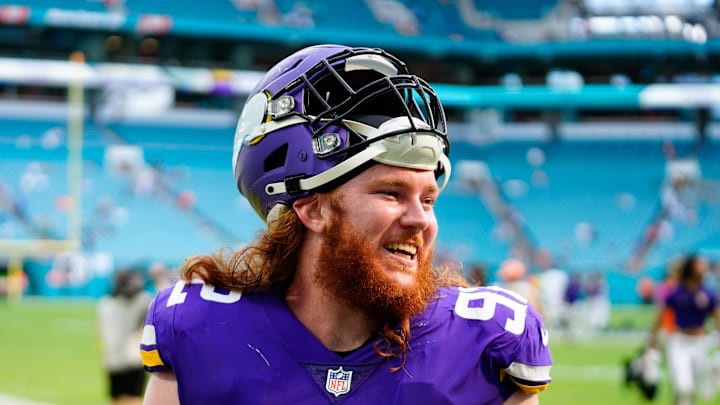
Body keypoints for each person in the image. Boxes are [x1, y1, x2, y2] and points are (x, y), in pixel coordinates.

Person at [139, 44, 552, 405]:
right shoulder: (203, 330)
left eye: (428, 199)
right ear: (312, 209)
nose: (419, 220)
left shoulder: (483, 344)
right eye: (390, 193)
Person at [648, 254, 720, 405]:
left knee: (691, 387)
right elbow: (660, 317)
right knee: (684, 386)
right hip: (679, 342)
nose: (704, 268)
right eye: (700, 264)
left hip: (700, 342)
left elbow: (717, 317)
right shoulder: (677, 292)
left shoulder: (707, 293)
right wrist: (652, 340)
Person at [97, 268, 153, 404]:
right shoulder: (141, 301)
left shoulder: (104, 303)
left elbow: (99, 334)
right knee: (133, 398)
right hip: (132, 359)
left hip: (112, 359)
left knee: (116, 398)